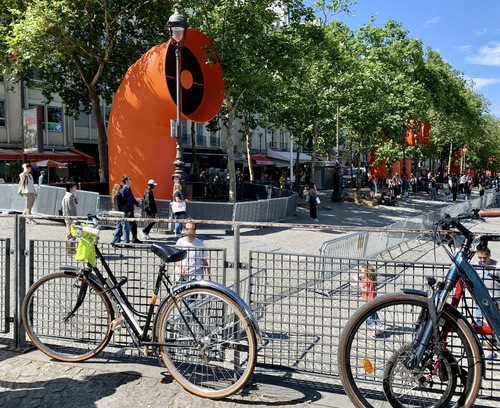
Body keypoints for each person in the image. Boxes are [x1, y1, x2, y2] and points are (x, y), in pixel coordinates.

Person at [475, 246, 500, 360]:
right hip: (482, 299)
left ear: (489, 255)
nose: (482, 260)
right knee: (482, 325)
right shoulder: (476, 266)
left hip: (497, 298)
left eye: (484, 257)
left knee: (495, 324)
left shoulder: (497, 266)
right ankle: (490, 352)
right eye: (480, 257)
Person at [359, 264, 384, 335]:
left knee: (368, 314)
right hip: (373, 299)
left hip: (368, 300)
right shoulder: (372, 280)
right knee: (374, 313)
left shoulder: (365, 281)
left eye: (362, 272)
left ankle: (373, 326)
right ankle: (379, 326)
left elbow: (366, 290)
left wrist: (360, 286)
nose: (361, 274)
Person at [122, 176, 142, 243]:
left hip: (131, 209)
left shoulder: (129, 189)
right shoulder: (124, 189)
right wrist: (127, 210)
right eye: (129, 179)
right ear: (126, 181)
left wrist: (137, 204)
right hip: (128, 210)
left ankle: (134, 238)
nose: (131, 180)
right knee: (129, 225)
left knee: (132, 224)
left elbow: (132, 198)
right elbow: (124, 201)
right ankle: (132, 239)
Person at [61, 182, 78, 254]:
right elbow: (69, 209)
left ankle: (72, 249)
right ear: (70, 188)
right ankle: (69, 250)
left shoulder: (71, 196)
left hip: (71, 218)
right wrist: (72, 219)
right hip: (70, 218)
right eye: (74, 186)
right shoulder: (68, 197)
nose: (76, 187)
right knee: (69, 234)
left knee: (73, 234)